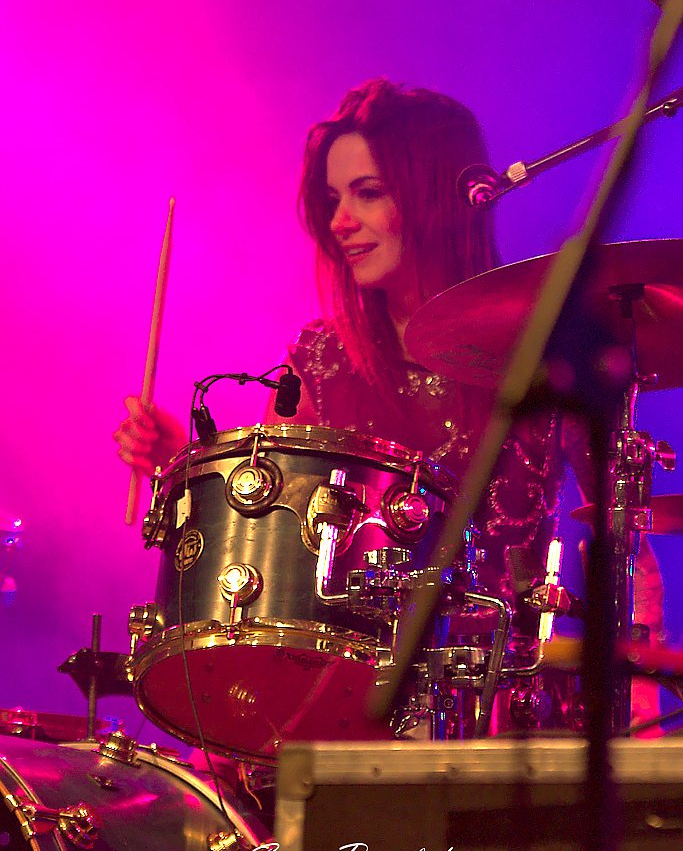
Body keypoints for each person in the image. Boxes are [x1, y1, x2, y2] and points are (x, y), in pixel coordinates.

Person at [115, 77, 663, 729]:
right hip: (343, 708)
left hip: (497, 713)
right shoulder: (321, 356)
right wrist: (186, 463)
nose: (339, 222)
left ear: (433, 198)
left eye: (367, 193)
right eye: (332, 199)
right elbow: (270, 521)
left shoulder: (545, 347)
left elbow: (623, 537)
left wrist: (638, 701)